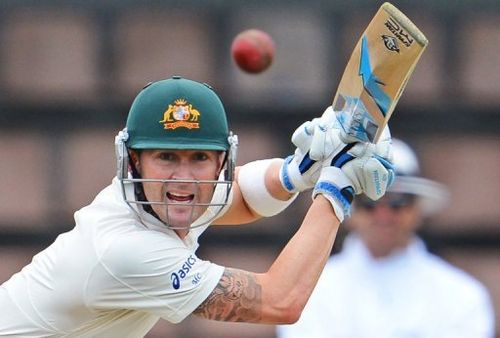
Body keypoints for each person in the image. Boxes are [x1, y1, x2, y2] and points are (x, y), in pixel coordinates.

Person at [0, 76, 394, 337]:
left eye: (200, 158)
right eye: (167, 158)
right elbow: (280, 301)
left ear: (223, 161)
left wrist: (299, 170)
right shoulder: (125, 250)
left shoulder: (154, 198)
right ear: (134, 162)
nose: (184, 179)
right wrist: (336, 188)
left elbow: (242, 198)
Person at [276, 138, 495, 338]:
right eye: (369, 201)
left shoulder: (462, 295)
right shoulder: (311, 293)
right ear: (349, 209)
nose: (384, 214)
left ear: (417, 210)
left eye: (398, 201)